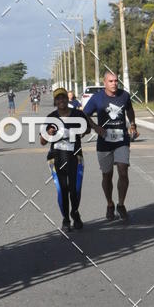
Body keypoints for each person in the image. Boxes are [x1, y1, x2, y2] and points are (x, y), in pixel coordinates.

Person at [40, 87, 101, 231]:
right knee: (62, 189)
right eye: (58, 98)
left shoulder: (78, 114)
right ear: (55, 101)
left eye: (63, 98)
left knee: (75, 189)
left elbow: (86, 129)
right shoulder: (51, 117)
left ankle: (75, 213)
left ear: (68, 99)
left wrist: (82, 130)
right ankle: (66, 219)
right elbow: (42, 141)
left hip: (75, 157)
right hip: (57, 158)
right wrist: (48, 133)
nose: (61, 101)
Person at [83, 70, 138, 221]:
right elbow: (85, 114)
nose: (114, 84)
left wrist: (132, 124)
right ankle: (110, 204)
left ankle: (121, 204)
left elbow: (130, 110)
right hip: (104, 141)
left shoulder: (124, 95)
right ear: (104, 82)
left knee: (123, 170)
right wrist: (96, 127)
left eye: (116, 81)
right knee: (107, 176)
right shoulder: (97, 98)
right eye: (111, 81)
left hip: (121, 140)